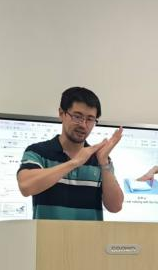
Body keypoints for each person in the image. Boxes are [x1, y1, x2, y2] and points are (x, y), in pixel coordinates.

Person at [17, 87, 123, 219]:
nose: (83, 125)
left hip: (90, 233)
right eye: (77, 117)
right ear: (62, 113)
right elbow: (26, 186)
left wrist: (104, 164)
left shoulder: (100, 159)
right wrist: (74, 162)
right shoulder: (38, 152)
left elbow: (115, 206)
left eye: (90, 119)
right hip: (47, 233)